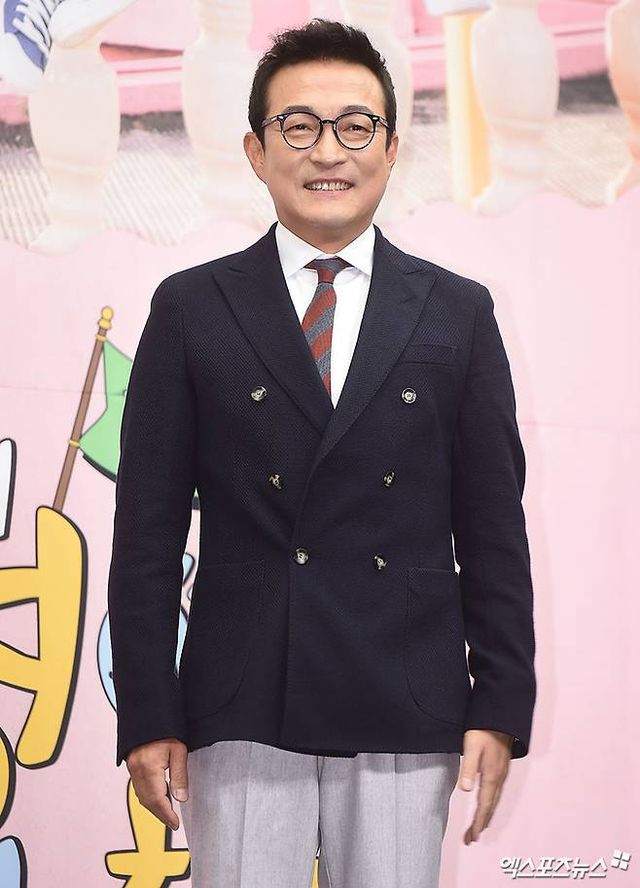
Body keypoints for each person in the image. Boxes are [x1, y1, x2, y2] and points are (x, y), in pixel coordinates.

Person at [107, 18, 536, 888]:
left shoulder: (457, 312)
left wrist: (499, 700)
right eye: (298, 126)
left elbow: (494, 528)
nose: (328, 151)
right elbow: (146, 534)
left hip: (403, 692)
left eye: (355, 126)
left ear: (391, 148)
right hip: (242, 697)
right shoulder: (192, 308)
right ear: (256, 151)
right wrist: (150, 711)